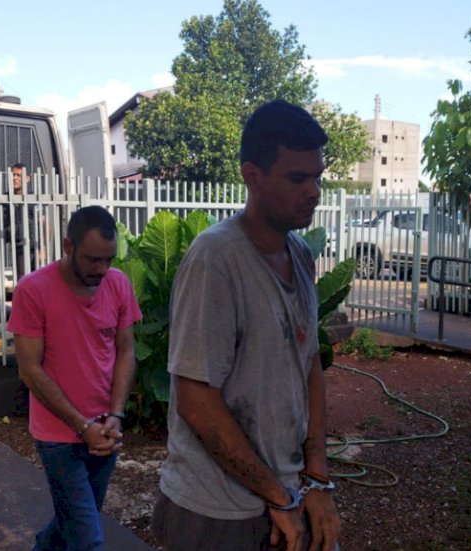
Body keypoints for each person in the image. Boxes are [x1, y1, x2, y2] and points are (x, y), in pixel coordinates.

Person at [153, 100, 341, 551]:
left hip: (285, 494)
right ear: (251, 176)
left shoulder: (300, 255)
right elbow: (196, 402)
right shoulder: (215, 259)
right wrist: (277, 495)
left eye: (317, 177)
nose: (313, 191)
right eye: (297, 178)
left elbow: (309, 364)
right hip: (217, 511)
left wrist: (317, 479)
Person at [9, 205, 141, 550]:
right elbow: (30, 369)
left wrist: (116, 414)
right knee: (87, 538)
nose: (102, 270)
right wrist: (83, 426)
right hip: (58, 436)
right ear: (69, 246)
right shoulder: (33, 289)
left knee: (75, 520)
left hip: (106, 430)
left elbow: (126, 351)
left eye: (109, 259)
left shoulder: (118, 284)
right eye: (93, 260)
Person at [3, 163, 41, 276]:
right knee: (23, 280)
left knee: (30, 280)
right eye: (12, 175)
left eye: (18, 175)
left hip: (31, 247)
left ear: (27, 179)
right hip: (18, 247)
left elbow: (44, 224)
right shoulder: (6, 197)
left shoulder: (33, 199)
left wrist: (42, 248)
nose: (14, 178)